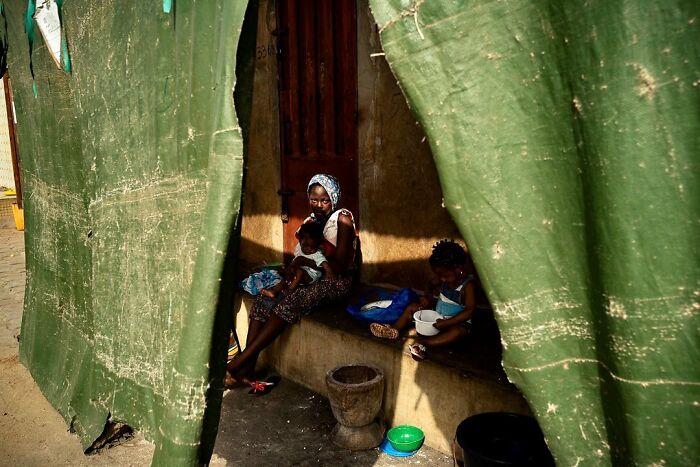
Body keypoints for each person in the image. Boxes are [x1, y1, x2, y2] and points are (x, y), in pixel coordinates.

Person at [226, 174, 360, 389]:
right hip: (308, 274)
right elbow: (298, 256)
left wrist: (305, 261)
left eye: (324, 200)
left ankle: (239, 362)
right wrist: (291, 268)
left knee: (291, 300)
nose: (318, 205)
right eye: (313, 199)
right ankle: (247, 370)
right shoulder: (310, 222)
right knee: (264, 300)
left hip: (336, 280)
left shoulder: (342, 219)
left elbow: (340, 266)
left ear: (333, 198)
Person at [369, 239, 476, 361]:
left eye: (445, 276)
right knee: (412, 307)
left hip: (455, 323)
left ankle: (424, 343)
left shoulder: (468, 285)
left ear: (458, 268)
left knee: (457, 332)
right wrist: (428, 296)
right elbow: (430, 284)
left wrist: (446, 323)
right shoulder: (444, 277)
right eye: (439, 276)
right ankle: (394, 329)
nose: (442, 279)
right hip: (437, 316)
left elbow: (469, 311)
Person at [261, 222, 334, 298]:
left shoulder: (317, 253)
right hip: (298, 270)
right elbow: (296, 259)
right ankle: (274, 291)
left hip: (311, 275)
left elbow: (324, 263)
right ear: (300, 242)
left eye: (312, 247)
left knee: (299, 272)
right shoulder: (299, 247)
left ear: (317, 244)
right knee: (287, 276)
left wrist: (329, 272)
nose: (309, 249)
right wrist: (289, 268)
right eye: (305, 246)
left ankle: (289, 291)